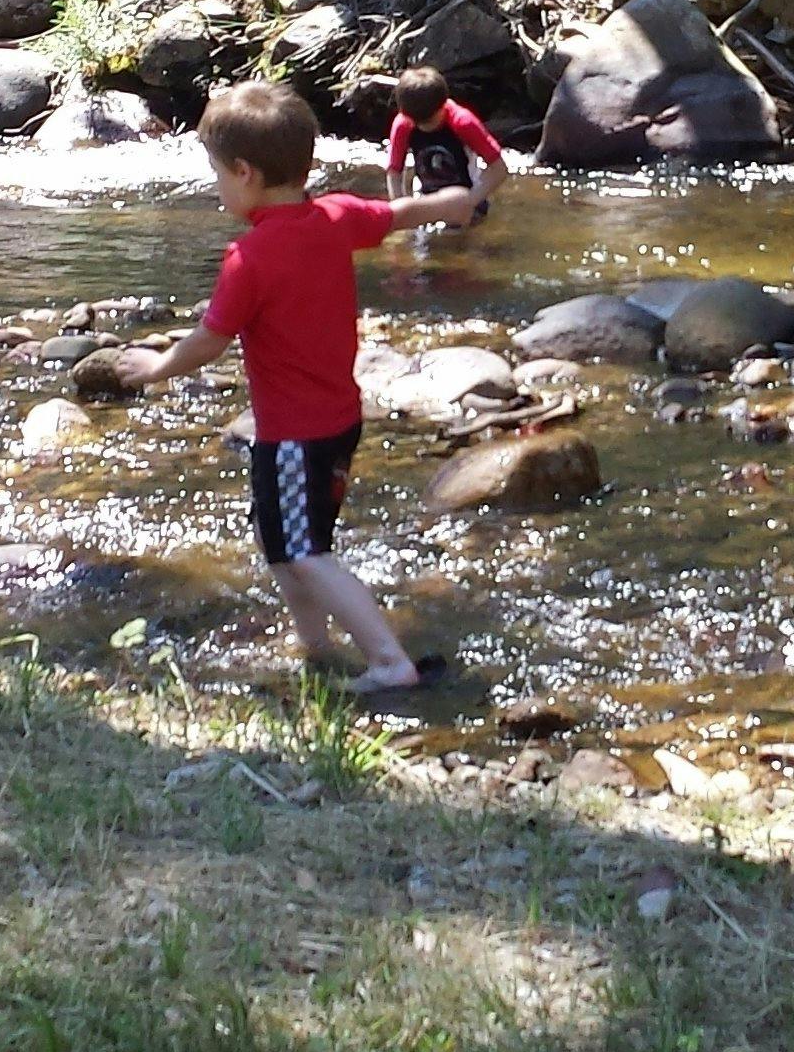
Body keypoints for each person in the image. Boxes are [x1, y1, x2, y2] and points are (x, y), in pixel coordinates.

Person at [110, 80, 480, 689]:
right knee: (284, 547)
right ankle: (315, 646)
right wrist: (449, 204)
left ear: (245, 173)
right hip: (336, 420)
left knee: (306, 552)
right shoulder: (333, 215)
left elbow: (209, 340)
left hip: (293, 436)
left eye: (217, 173)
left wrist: (156, 366)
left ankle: (390, 663)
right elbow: (395, 213)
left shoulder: (249, 258)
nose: (217, 186)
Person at [380, 66, 506, 224]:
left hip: (467, 198)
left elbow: (499, 168)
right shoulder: (404, 123)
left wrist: (471, 200)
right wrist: (401, 212)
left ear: (443, 106)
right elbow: (394, 171)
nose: (425, 128)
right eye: (419, 124)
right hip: (426, 199)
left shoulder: (463, 122)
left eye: (431, 122)